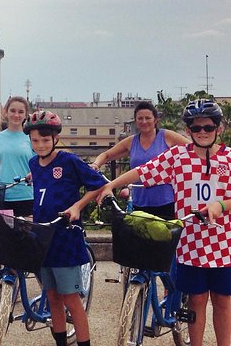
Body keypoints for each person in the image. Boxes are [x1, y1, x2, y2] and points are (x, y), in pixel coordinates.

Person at [98, 99, 231, 346]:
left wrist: (220, 205)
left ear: (218, 129)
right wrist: (111, 185)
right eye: (196, 128)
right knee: (196, 300)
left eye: (208, 127)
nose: (202, 132)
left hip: (223, 243)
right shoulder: (178, 156)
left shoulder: (228, 159)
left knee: (223, 301)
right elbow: (144, 171)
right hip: (190, 243)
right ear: (188, 131)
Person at [24, 110, 105, 346]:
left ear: (55, 139)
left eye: (45, 140)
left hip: (66, 238)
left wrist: (78, 206)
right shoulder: (34, 164)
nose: (40, 145)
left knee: (70, 298)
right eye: (35, 141)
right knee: (52, 297)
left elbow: (97, 184)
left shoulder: (68, 161)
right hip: (44, 237)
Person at [91, 101, 189, 219]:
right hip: (139, 201)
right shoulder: (131, 141)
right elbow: (106, 155)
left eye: (148, 118)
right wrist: (96, 164)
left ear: (155, 120)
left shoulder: (167, 136)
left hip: (165, 200)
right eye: (140, 118)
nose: (144, 122)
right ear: (136, 121)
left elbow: (193, 149)